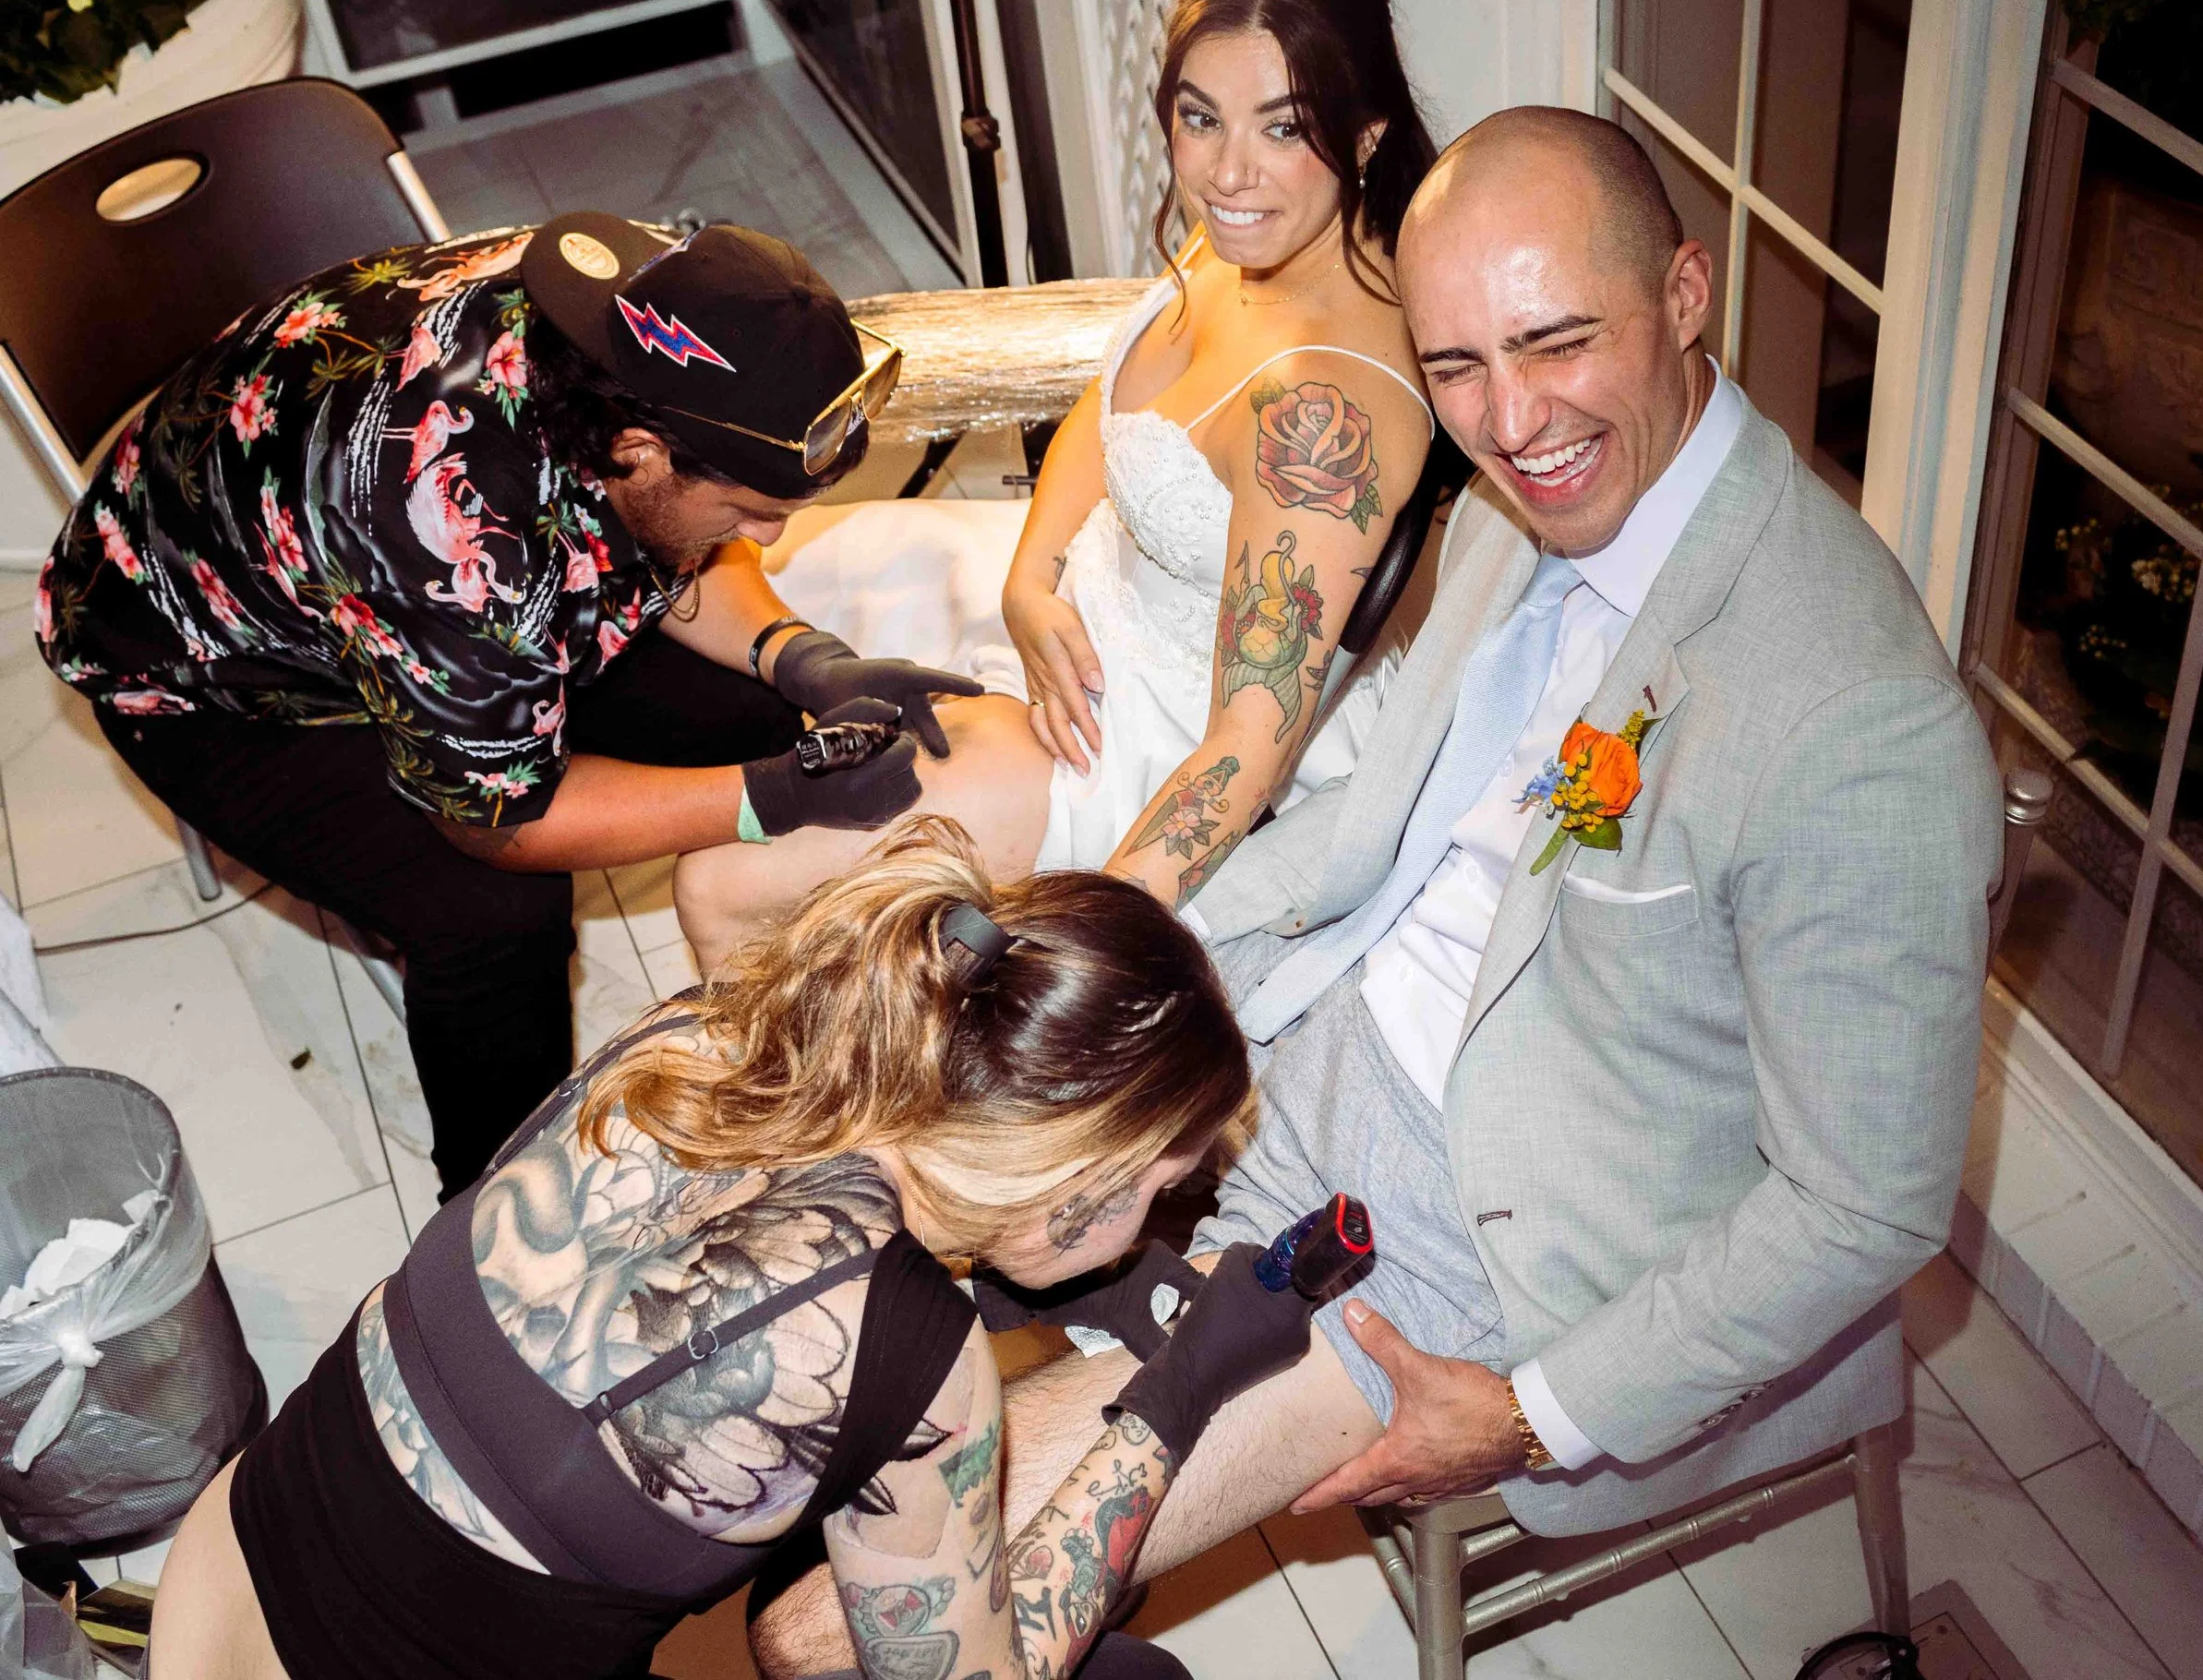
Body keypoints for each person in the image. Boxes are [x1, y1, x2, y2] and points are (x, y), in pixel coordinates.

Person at [747, 108, 2004, 1673]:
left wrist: (1535, 1411)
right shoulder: (1509, 504)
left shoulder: (1852, 715)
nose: (1509, 416)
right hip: (1298, 1044)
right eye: (1458, 364)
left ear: (1687, 295)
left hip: (1473, 1240)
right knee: (821, 1265)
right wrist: (1125, 935)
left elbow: (1868, 1201)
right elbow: (1351, 845)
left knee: (832, 1632)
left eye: (1556, 342)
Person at [149, 819, 1335, 1680]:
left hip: (221, 1580)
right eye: (1160, 1193)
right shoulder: (920, 1370)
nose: (1158, 1221)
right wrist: (1177, 1394)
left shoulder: (699, 1040)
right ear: (1068, 1184)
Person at [34, 212, 977, 1194]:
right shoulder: (446, 525)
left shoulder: (661, 306)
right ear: (641, 450)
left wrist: (795, 655)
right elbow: (499, 822)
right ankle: (489, 1206)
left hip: (393, 578)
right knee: (494, 911)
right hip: (215, 679)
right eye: (749, 511)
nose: (765, 538)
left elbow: (674, 552)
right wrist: (772, 798)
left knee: (751, 714)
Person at [673, 0, 1440, 968]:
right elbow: (1109, 411)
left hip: (1128, 743)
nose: (1226, 171)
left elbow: (1242, 753)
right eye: (1199, 118)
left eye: (1282, 128)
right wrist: (1030, 583)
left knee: (719, 884)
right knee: (764, 624)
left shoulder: (1323, 413)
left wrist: (1092, 936)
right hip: (1077, 610)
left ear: (1362, 136)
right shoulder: (1251, 234)